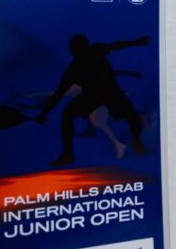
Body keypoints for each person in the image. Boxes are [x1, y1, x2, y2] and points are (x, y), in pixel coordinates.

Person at [36, 34, 150, 166]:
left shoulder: (84, 60)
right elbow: (58, 95)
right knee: (68, 115)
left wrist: (43, 114)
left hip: (106, 93)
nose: (74, 50)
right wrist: (135, 42)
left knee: (132, 117)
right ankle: (68, 154)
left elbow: (58, 95)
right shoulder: (77, 66)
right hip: (99, 94)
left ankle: (135, 140)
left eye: (75, 47)